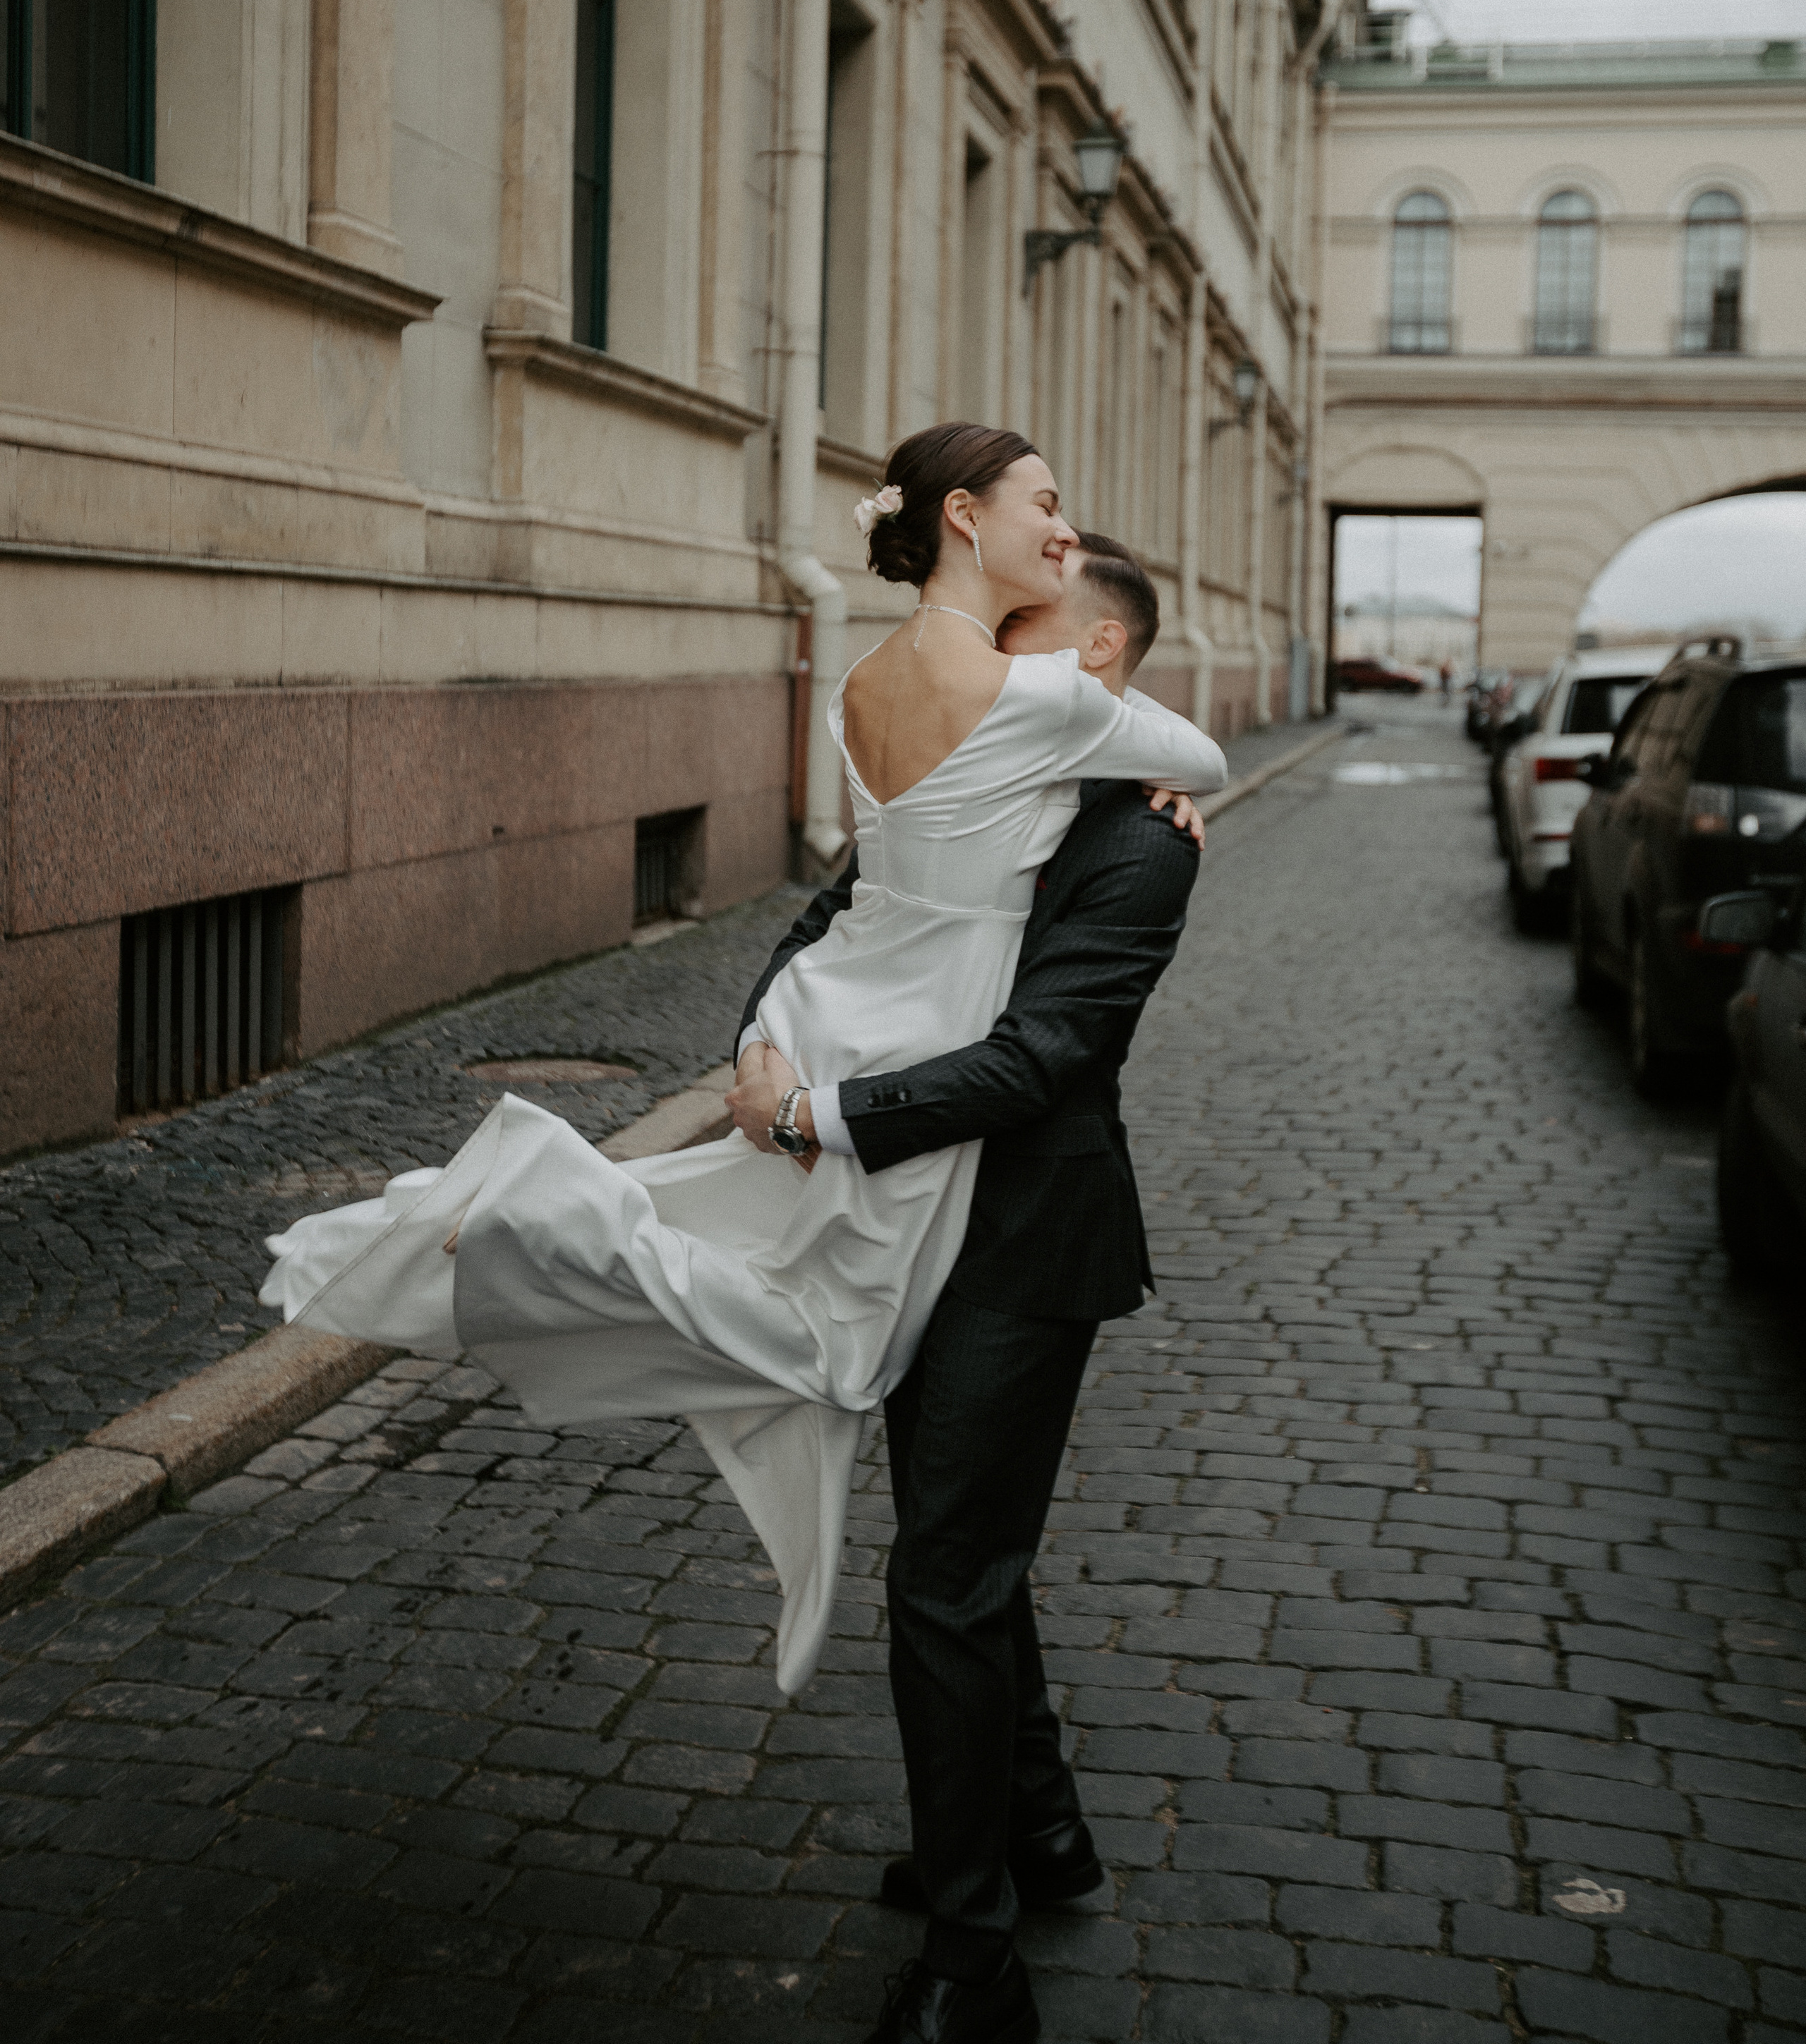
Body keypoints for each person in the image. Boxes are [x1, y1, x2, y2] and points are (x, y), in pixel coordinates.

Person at [259, 422, 1223, 1715]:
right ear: (962, 516)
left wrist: (773, 1058)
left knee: (775, 1262)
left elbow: (861, 888)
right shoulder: (1043, 702)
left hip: (835, 1009)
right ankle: (546, 1230)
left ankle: (532, 1226)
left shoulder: (860, 682)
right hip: (924, 1032)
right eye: (1044, 502)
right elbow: (1199, 757)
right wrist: (1169, 768)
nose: (1062, 525)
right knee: (826, 1322)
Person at [730, 532, 1212, 2044]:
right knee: (967, 1555)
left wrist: (828, 1120)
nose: (989, 653)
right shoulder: (961, 778)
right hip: (897, 1237)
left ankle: (969, 1958)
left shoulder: (1142, 837)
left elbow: (1040, 1060)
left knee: (942, 1577)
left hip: (1018, 1246)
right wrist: (758, 1041)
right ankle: (1041, 1833)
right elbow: (836, 923)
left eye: (1028, 631)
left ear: (1098, 664)